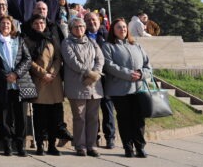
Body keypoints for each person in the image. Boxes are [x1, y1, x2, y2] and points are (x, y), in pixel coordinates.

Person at [103, 18, 153, 158]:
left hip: (137, 89)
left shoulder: (136, 46)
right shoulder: (108, 46)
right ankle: (128, 147)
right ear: (113, 30)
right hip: (119, 90)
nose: (122, 29)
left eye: (124, 27)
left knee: (139, 119)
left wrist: (142, 74)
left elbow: (148, 66)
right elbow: (109, 65)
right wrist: (129, 74)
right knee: (124, 119)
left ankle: (140, 146)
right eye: (119, 27)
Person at [0, 16, 35, 157]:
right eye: (3, 23)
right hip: (2, 84)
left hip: (19, 84)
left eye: (8, 24)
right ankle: (7, 144)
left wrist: (16, 73)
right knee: (3, 116)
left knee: (21, 116)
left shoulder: (19, 41)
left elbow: (27, 59)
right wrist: (5, 75)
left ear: (12, 26)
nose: (5, 26)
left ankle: (20, 145)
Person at [61, 17, 104, 157]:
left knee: (93, 117)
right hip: (77, 85)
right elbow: (72, 62)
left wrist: (96, 72)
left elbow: (100, 58)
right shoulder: (66, 42)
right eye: (76, 26)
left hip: (94, 85)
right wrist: (88, 72)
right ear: (71, 29)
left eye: (81, 26)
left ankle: (92, 145)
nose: (79, 29)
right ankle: (80, 146)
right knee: (79, 117)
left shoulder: (91, 41)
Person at [24, 14, 63, 156]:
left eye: (42, 23)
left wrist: (52, 73)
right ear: (32, 25)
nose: (39, 25)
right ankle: (40, 145)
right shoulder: (27, 40)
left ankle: (52, 145)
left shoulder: (52, 38)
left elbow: (58, 58)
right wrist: (42, 74)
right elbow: (28, 60)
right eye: (36, 23)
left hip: (54, 82)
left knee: (54, 116)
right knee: (40, 117)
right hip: (39, 81)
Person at [85, 12, 115, 149]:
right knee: (92, 110)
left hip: (106, 77)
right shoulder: (82, 36)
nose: (92, 22)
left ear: (99, 20)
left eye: (94, 19)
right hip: (90, 77)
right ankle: (94, 137)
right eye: (88, 20)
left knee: (107, 108)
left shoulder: (108, 36)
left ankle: (110, 137)